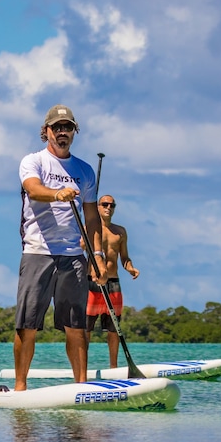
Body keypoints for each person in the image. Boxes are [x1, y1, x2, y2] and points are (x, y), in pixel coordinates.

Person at [12, 105, 106, 390]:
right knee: (27, 325)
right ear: (46, 131)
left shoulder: (85, 170)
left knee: (76, 327)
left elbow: (92, 217)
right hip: (38, 252)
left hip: (73, 257)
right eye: (57, 128)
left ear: (74, 132)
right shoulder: (33, 161)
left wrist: (98, 256)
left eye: (68, 128)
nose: (62, 132)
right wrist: (57, 193)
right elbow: (33, 189)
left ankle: (81, 386)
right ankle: (20, 387)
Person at [84, 195, 139, 369]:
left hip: (113, 283)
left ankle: (113, 368)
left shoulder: (120, 231)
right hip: (92, 281)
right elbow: (79, 248)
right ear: (98, 207)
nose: (109, 207)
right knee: (86, 328)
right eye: (105, 204)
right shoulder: (89, 229)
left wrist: (130, 268)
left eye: (112, 205)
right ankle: (82, 368)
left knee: (114, 329)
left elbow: (125, 257)